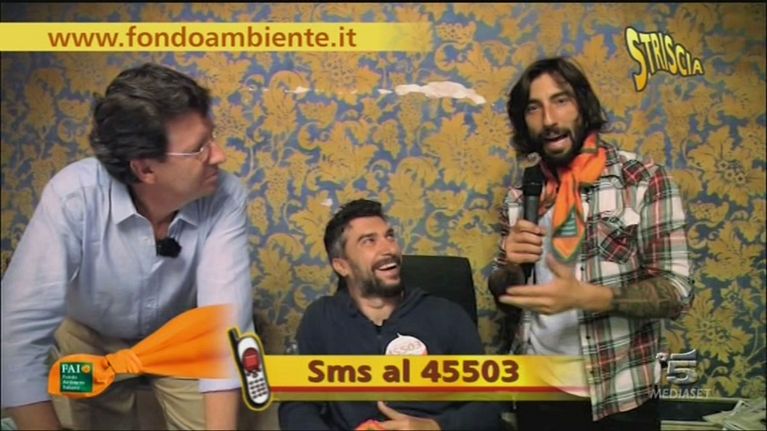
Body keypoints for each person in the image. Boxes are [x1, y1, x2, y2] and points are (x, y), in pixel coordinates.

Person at [1, 63, 254, 430]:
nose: (219, 155)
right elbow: (15, 337)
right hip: (89, 333)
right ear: (145, 169)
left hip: (179, 335)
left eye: (211, 138)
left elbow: (224, 326)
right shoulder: (73, 196)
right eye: (199, 149)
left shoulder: (226, 196)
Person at [489, 57, 694, 431]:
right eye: (534, 108)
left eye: (561, 100)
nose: (549, 119)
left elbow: (677, 291)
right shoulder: (522, 195)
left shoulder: (643, 180)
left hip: (619, 397)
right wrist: (512, 268)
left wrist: (590, 297)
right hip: (540, 392)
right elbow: (506, 297)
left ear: (583, 106)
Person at [279, 199, 503, 430]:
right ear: (342, 266)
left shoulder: (447, 315)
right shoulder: (321, 318)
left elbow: (488, 406)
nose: (389, 249)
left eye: (390, 236)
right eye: (369, 241)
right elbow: (297, 405)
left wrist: (434, 426)